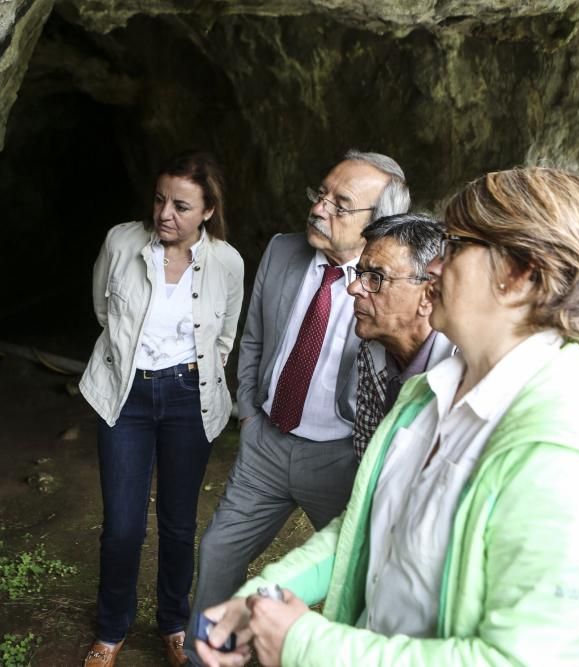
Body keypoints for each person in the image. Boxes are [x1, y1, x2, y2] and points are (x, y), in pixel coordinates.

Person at [195, 167, 579, 667]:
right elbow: (369, 528)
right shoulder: (428, 393)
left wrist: (304, 644)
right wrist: (264, 595)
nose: (436, 267)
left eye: (456, 245)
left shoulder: (575, 453)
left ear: (521, 273)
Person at [186, 150, 410, 662]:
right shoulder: (282, 251)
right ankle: (207, 659)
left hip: (338, 457)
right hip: (266, 441)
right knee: (218, 551)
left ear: (378, 224)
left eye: (341, 204)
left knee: (357, 577)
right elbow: (254, 339)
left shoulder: (392, 287)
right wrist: (250, 411)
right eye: (321, 193)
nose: (319, 207)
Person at [78, 150, 244, 667]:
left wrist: (195, 376)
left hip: (187, 398)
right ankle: (111, 628)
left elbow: (225, 336)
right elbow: (103, 307)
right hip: (126, 394)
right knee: (123, 525)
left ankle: (173, 622)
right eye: (159, 200)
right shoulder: (121, 242)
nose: (164, 214)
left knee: (178, 522)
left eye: (181, 206)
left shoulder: (228, 262)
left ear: (208, 211)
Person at [348, 212, 455, 461]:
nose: (353, 288)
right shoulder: (371, 349)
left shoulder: (464, 366)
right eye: (360, 274)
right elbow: (368, 447)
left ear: (429, 295)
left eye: (376, 277)